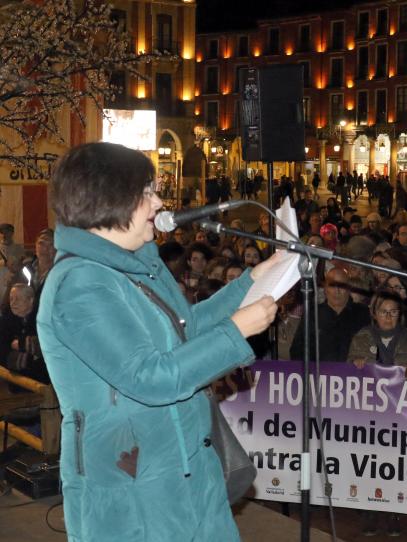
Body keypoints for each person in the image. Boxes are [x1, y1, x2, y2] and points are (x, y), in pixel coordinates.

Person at [36, 142, 279, 541]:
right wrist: (236, 331)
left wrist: (250, 284)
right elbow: (149, 377)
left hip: (187, 472)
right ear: (109, 199)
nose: (160, 202)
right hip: (133, 490)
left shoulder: (136, 262)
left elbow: (186, 327)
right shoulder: (80, 284)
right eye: (147, 192)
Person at [290, 267, 371, 362]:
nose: (337, 291)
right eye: (332, 285)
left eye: (341, 286)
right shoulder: (313, 315)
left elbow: (373, 345)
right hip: (318, 374)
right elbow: (297, 351)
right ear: (325, 288)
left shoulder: (363, 313)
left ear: (349, 288)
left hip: (353, 374)